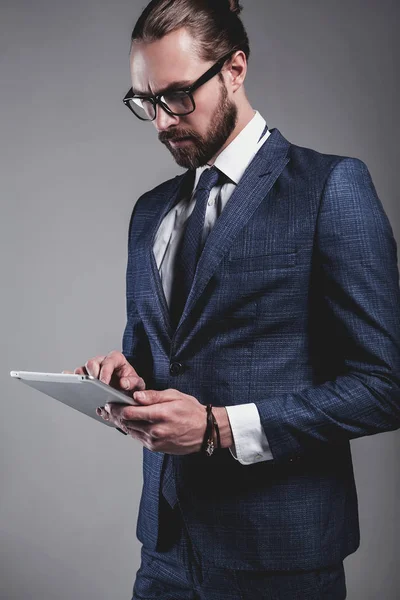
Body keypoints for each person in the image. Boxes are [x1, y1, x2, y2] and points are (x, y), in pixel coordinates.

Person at [68, 1, 400, 598]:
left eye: (176, 95)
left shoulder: (330, 188)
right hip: (166, 548)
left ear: (235, 69)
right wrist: (124, 380)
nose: (162, 121)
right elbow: (162, 361)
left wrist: (219, 428)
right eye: (144, 102)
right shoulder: (150, 213)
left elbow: (385, 385)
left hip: (281, 555)